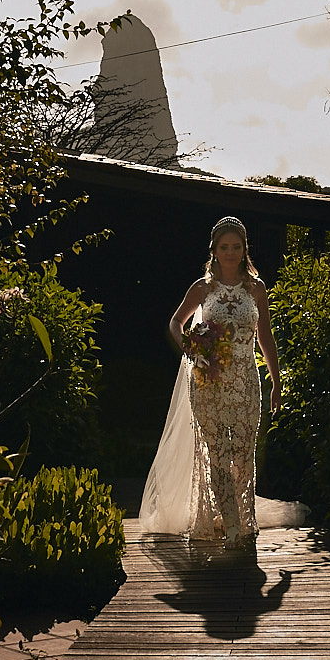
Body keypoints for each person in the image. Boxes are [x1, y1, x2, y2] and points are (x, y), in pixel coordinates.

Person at [139, 216, 281, 550]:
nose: (230, 253)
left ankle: (241, 518)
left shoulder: (256, 289)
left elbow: (266, 337)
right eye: (223, 247)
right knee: (217, 452)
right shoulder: (202, 288)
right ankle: (231, 526)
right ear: (214, 251)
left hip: (247, 382)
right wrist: (189, 347)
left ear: (245, 249)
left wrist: (276, 381)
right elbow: (176, 322)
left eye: (236, 246)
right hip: (208, 382)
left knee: (244, 455)